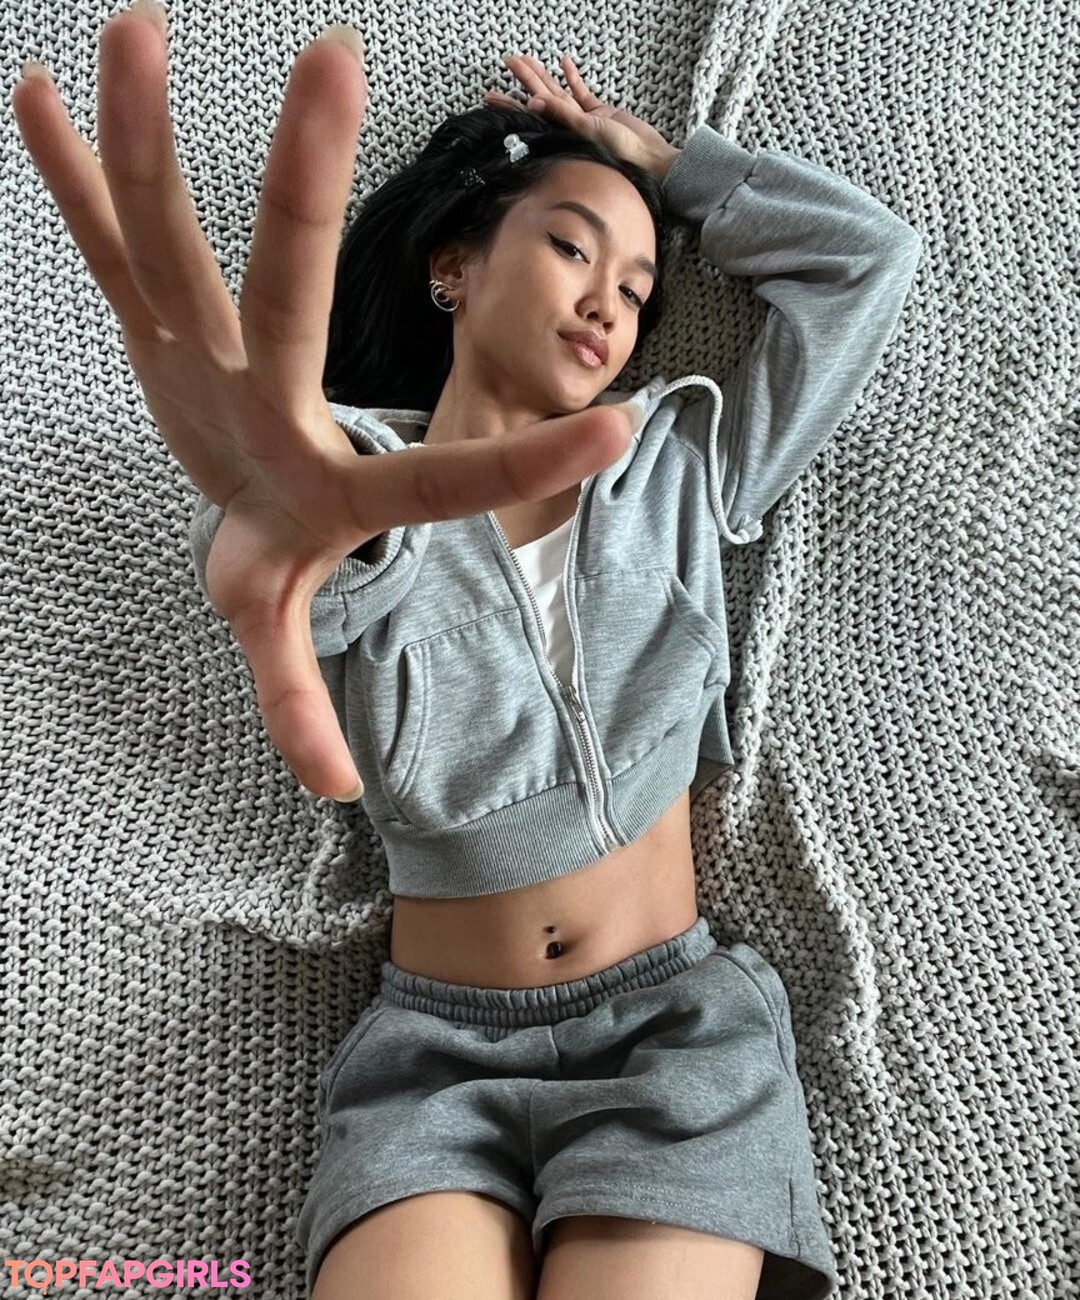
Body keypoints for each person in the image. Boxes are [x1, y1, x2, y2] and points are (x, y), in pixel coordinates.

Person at [13, 6, 921, 1298]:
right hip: (435, 1064)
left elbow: (866, 260)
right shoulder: (352, 484)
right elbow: (295, 549)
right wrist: (267, 533)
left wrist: (666, 168)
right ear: (455, 264)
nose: (607, 304)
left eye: (636, 290)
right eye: (571, 247)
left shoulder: (679, 462)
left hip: (670, 1038)